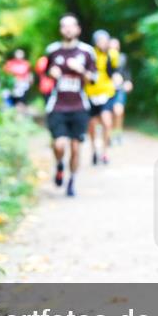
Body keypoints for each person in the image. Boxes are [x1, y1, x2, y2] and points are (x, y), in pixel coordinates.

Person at [44, 14, 97, 197]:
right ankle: (59, 165)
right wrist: (52, 72)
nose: (68, 29)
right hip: (57, 106)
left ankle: (72, 181)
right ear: (60, 30)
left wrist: (80, 70)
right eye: (64, 26)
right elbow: (46, 73)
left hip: (79, 107)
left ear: (78, 29)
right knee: (59, 145)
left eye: (71, 26)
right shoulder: (52, 51)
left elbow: (93, 79)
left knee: (75, 148)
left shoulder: (87, 52)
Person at [84, 29, 120, 165]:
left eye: (105, 41)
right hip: (91, 93)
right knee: (92, 124)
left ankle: (105, 152)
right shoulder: (90, 54)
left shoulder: (113, 54)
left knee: (107, 122)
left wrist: (118, 78)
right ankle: (94, 150)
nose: (103, 43)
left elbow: (115, 71)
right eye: (100, 41)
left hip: (107, 92)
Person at [109, 37, 133, 146]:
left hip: (119, 88)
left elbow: (127, 72)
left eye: (116, 45)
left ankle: (118, 133)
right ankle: (108, 134)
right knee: (108, 114)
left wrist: (128, 82)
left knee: (118, 111)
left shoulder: (123, 58)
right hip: (107, 89)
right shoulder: (104, 58)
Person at [2, 48, 33, 112]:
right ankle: (7, 107)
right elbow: (5, 73)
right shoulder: (10, 63)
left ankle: (19, 109)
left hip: (22, 83)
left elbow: (28, 74)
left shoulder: (26, 63)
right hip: (12, 83)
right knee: (7, 94)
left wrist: (28, 80)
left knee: (21, 94)